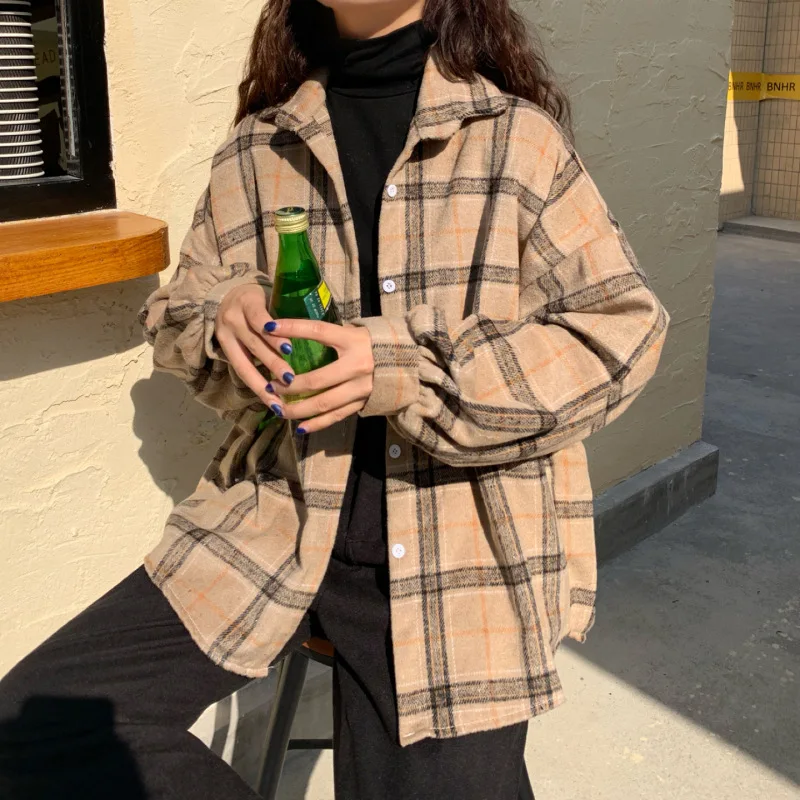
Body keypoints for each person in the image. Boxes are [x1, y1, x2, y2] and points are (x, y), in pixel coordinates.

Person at [0, 0, 670, 798]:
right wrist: (222, 316)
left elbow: (618, 332)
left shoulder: (515, 140)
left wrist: (400, 365)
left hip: (459, 554)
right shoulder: (262, 146)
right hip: (276, 522)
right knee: (31, 729)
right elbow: (178, 313)